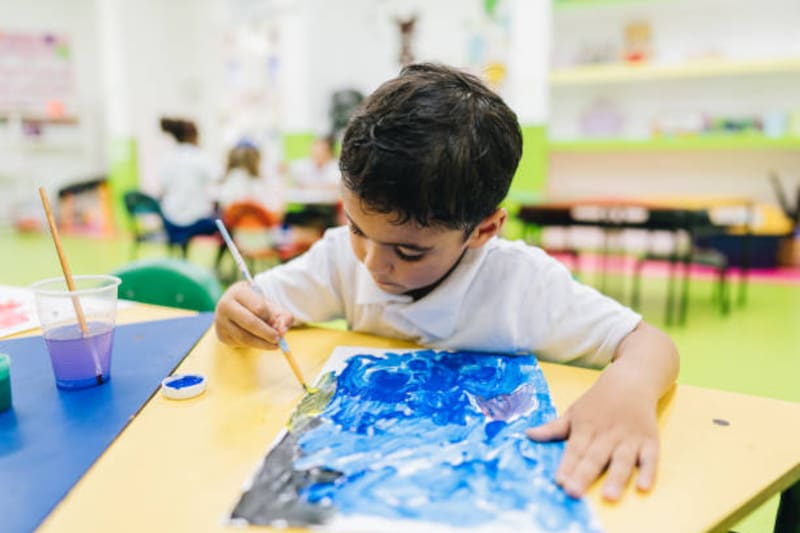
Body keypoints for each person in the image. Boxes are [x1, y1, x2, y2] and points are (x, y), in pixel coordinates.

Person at [214, 63, 679, 502]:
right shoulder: (341, 256)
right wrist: (238, 310)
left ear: (483, 230)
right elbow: (257, 303)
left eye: (409, 251)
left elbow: (649, 343)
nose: (373, 263)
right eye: (357, 228)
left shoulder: (522, 285)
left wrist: (630, 386)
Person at [158, 117, 219, 231]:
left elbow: (162, 189)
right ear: (195, 135)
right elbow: (218, 177)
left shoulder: (166, 158)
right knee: (225, 224)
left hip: (170, 220)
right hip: (198, 219)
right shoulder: (200, 157)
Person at [217, 140, 283, 213]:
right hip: (256, 222)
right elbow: (273, 207)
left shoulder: (228, 180)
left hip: (235, 222)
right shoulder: (258, 182)